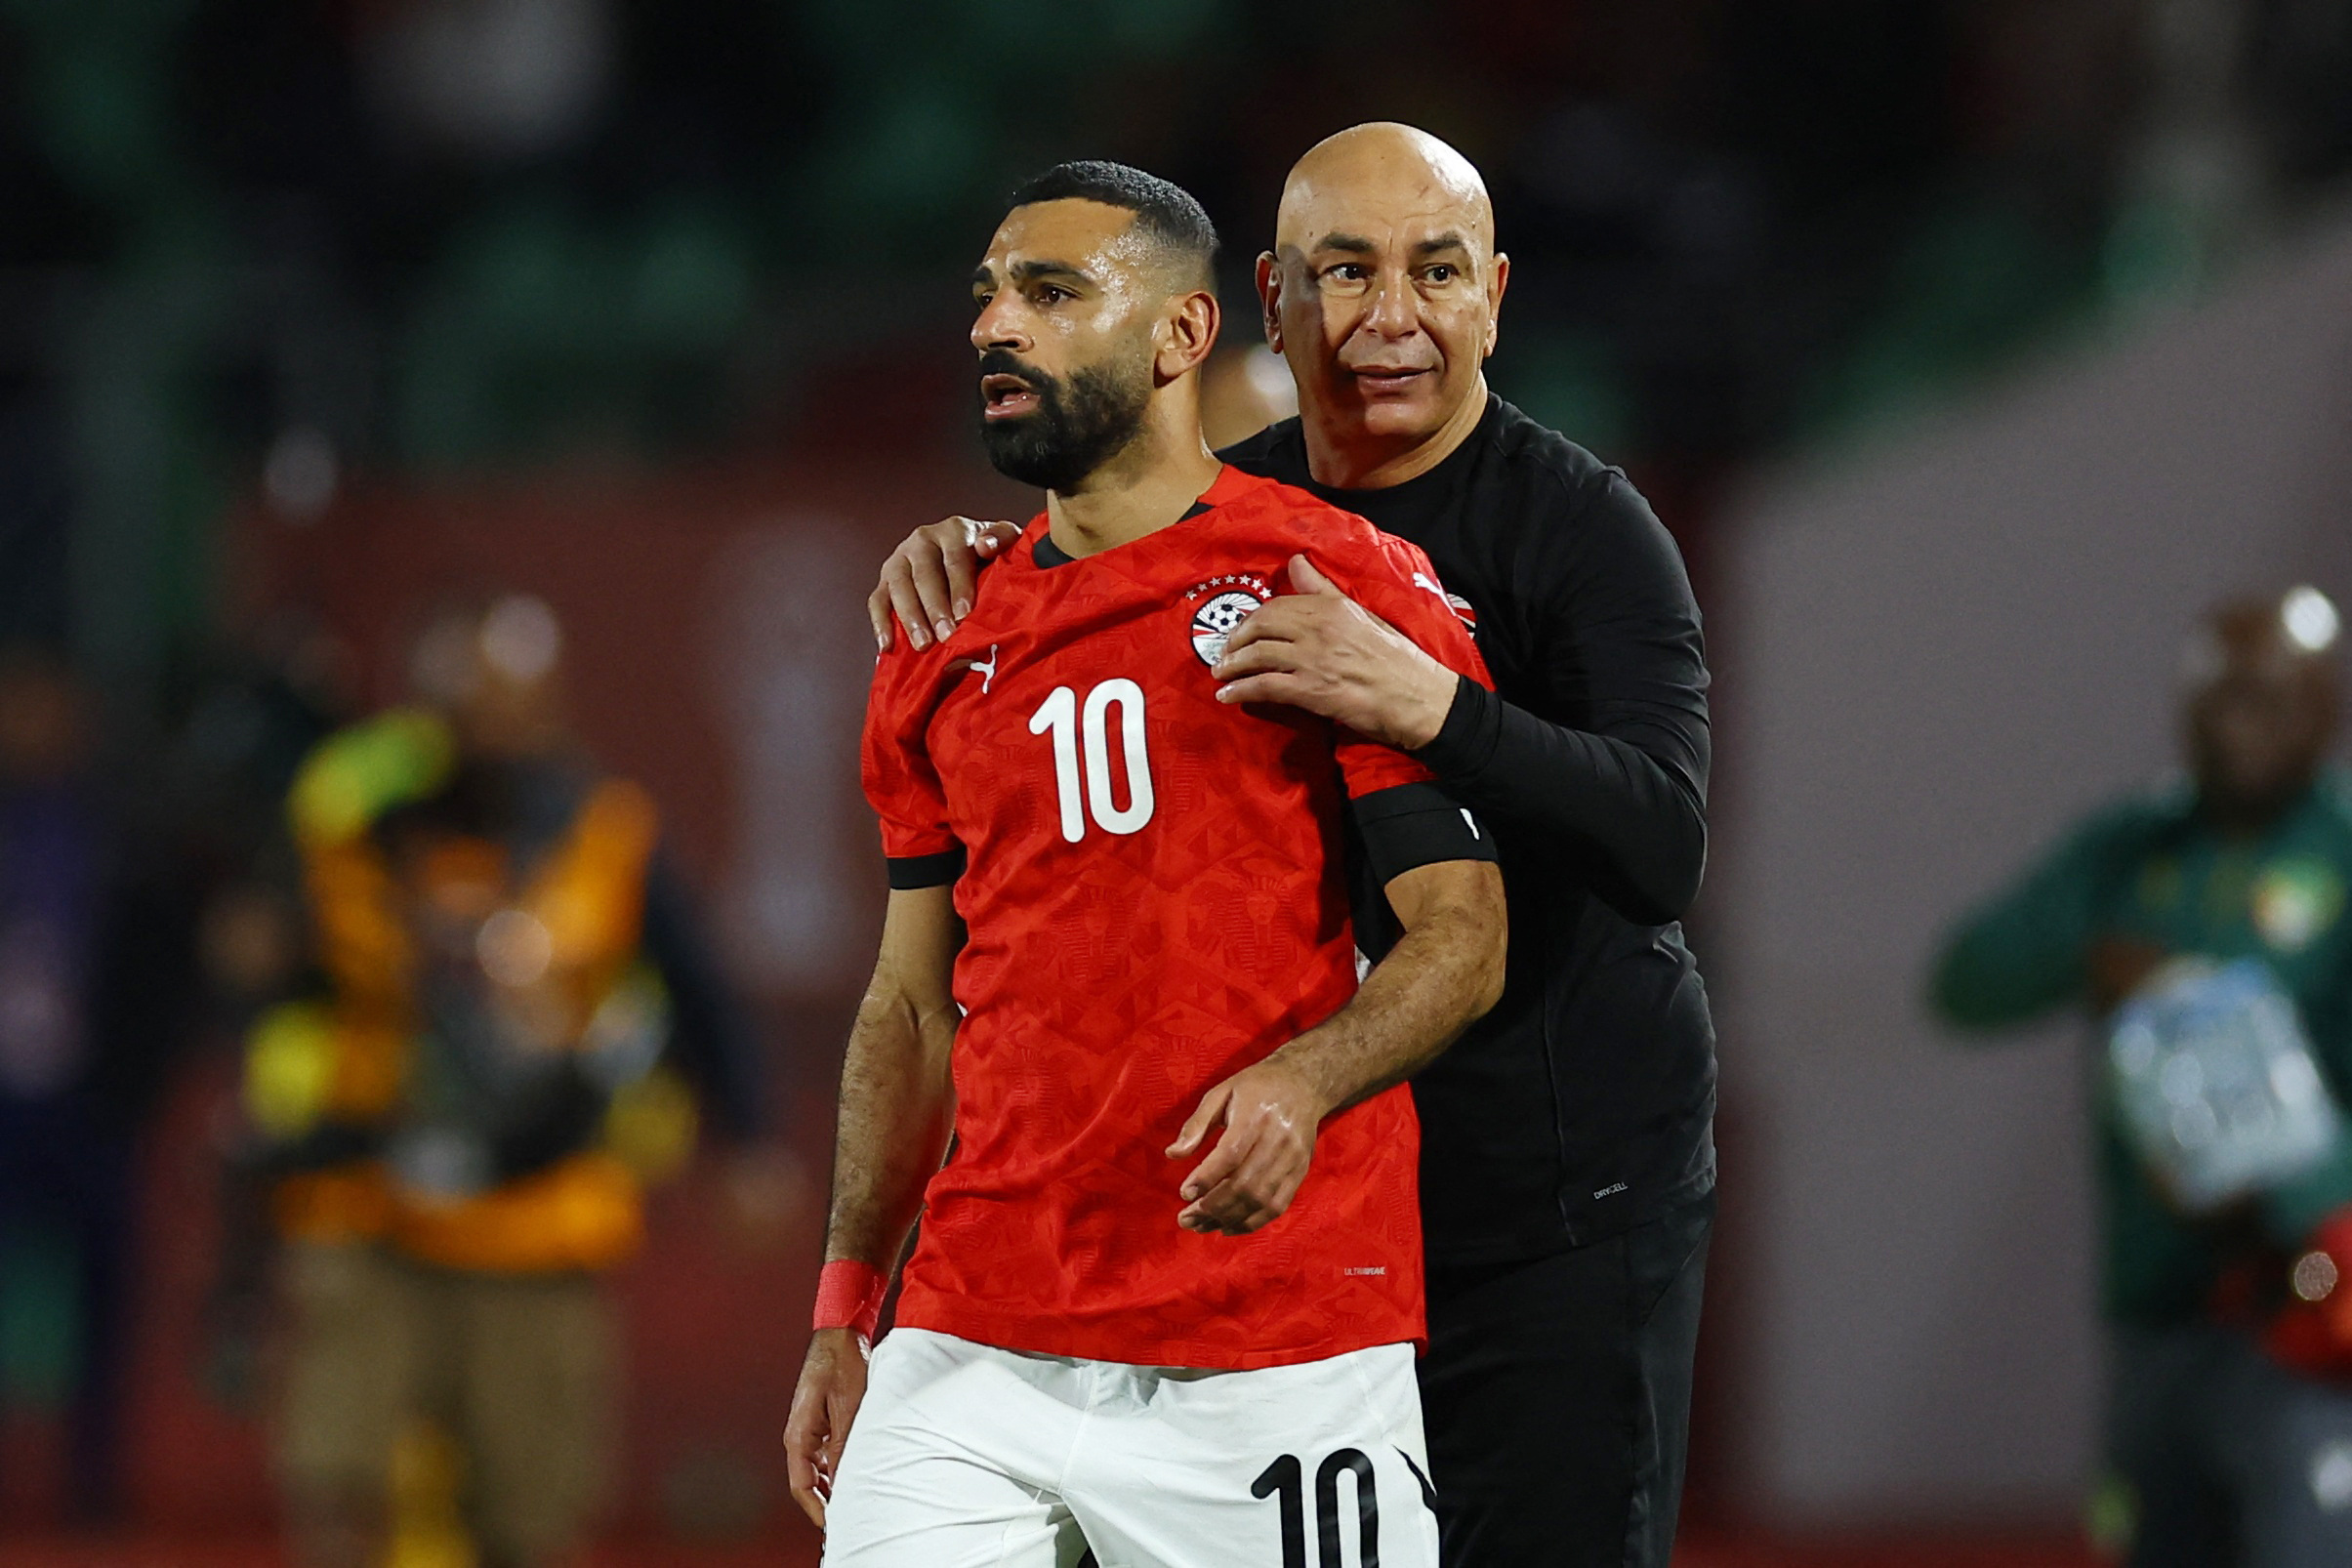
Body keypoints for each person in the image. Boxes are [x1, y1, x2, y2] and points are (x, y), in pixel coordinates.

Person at [868, 124, 1717, 1568]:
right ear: (1270, 300)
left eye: (1435, 272)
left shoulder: (1583, 525)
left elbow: (1663, 843)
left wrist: (1437, 708)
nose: (1391, 317)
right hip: (1304, 1215)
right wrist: (977, 554)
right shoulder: (1235, 521)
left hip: (1556, 1202)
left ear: (1495, 298)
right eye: (1344, 272)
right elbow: (1093, 546)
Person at [784, 160, 1508, 1567]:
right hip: (972, 1334)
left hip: (1271, 1332)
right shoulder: (937, 631)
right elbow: (909, 1009)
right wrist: (844, 1300)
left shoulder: (1330, 582)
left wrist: (1302, 1083)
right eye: (988, 296)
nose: (997, 325)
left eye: (1052, 294)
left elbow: (1463, 934)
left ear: (1180, 336)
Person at [246, 595, 770, 1568]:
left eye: (505, 704)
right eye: (459, 704)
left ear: (548, 709)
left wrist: (748, 1138)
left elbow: (699, 993)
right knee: (340, 1483)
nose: (482, 728)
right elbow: (276, 970)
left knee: (529, 1514)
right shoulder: (354, 827)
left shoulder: (607, 833)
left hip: (540, 1217)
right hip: (371, 1203)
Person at [1932, 589, 2352, 1568]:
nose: (2233, 725)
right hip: (2156, 1311)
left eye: (2263, 698)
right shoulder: (2130, 849)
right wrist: (2098, 948)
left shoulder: (2342, 853)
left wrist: (2317, 1209)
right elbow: (1965, 984)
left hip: (2302, 1314)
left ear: (2322, 706)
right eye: (2213, 698)